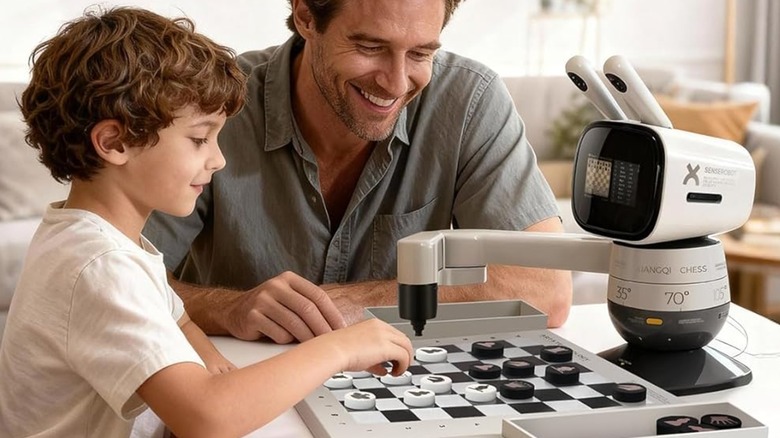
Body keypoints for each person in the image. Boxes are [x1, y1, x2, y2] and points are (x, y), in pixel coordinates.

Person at [0, 7, 412, 437]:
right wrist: (341, 347)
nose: (218, 160)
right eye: (199, 139)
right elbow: (206, 419)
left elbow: (177, 319)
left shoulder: (94, 238)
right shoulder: (100, 266)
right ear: (115, 142)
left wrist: (219, 374)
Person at [144, 0, 573, 344]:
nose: (397, 82)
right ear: (306, 17)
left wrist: (353, 303)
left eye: (421, 53)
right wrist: (227, 309)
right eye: (370, 48)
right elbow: (111, 281)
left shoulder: (470, 102)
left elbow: (543, 290)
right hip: (240, 388)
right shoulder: (211, 106)